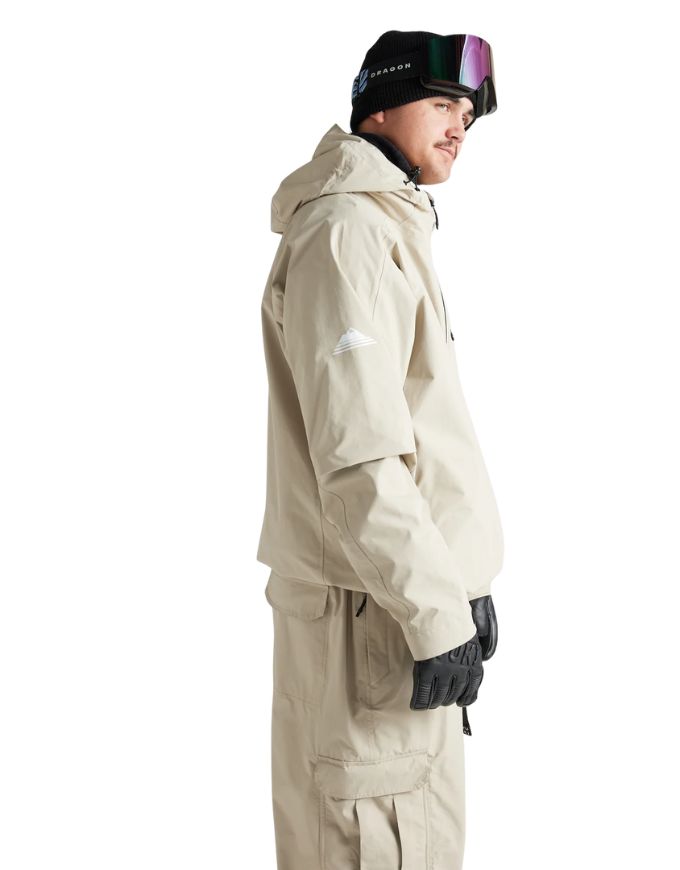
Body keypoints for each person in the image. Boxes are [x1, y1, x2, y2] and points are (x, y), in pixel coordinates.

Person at [256, 29, 504, 870]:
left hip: (397, 607)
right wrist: (436, 613)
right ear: (379, 108)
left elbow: (421, 432)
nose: (460, 124)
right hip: (374, 619)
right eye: (442, 103)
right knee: (377, 841)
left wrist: (463, 585)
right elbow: (360, 459)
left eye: (469, 111)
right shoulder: (347, 235)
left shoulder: (387, 226)